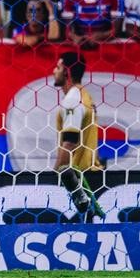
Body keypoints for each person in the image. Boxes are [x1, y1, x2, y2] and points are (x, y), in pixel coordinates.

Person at [53, 51, 105, 223]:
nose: (54, 70)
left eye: (58, 67)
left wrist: (55, 175)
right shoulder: (85, 96)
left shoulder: (73, 99)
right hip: (89, 174)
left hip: (78, 181)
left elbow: (69, 143)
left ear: (66, 71)